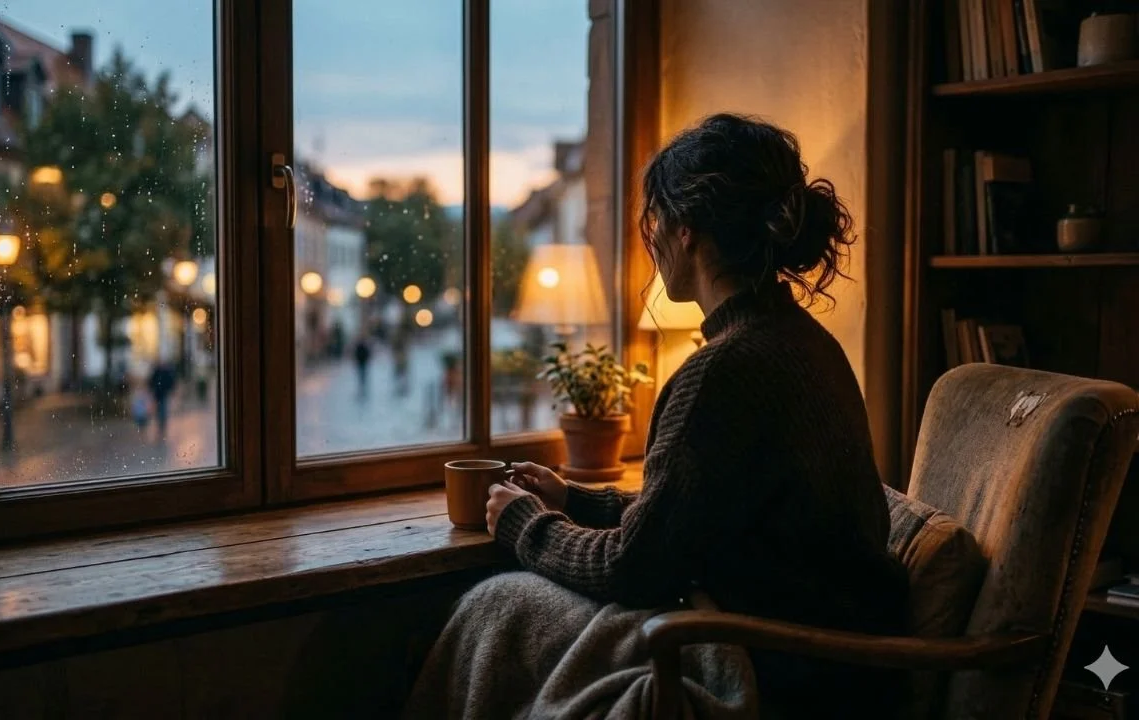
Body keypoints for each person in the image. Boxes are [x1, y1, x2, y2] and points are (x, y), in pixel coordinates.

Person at [406, 114, 909, 719]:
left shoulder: (723, 372)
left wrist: (524, 525)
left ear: (686, 229)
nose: (654, 239)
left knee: (499, 606)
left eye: (655, 221)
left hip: (784, 668)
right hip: (845, 662)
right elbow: (697, 518)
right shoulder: (805, 342)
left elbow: (633, 568)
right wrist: (575, 498)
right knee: (510, 608)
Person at [148, 362, 176, 440]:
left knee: (162, 411)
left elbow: (170, 382)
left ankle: (162, 428)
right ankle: (160, 427)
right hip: (158, 395)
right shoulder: (158, 372)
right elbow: (151, 382)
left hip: (162, 395)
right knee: (160, 412)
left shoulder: (164, 372)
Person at [353, 336, 372, 401]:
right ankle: (362, 388)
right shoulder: (360, 346)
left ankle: (362, 388)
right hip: (361, 363)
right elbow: (356, 354)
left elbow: (367, 354)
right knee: (361, 376)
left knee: (362, 376)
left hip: (363, 363)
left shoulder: (363, 346)